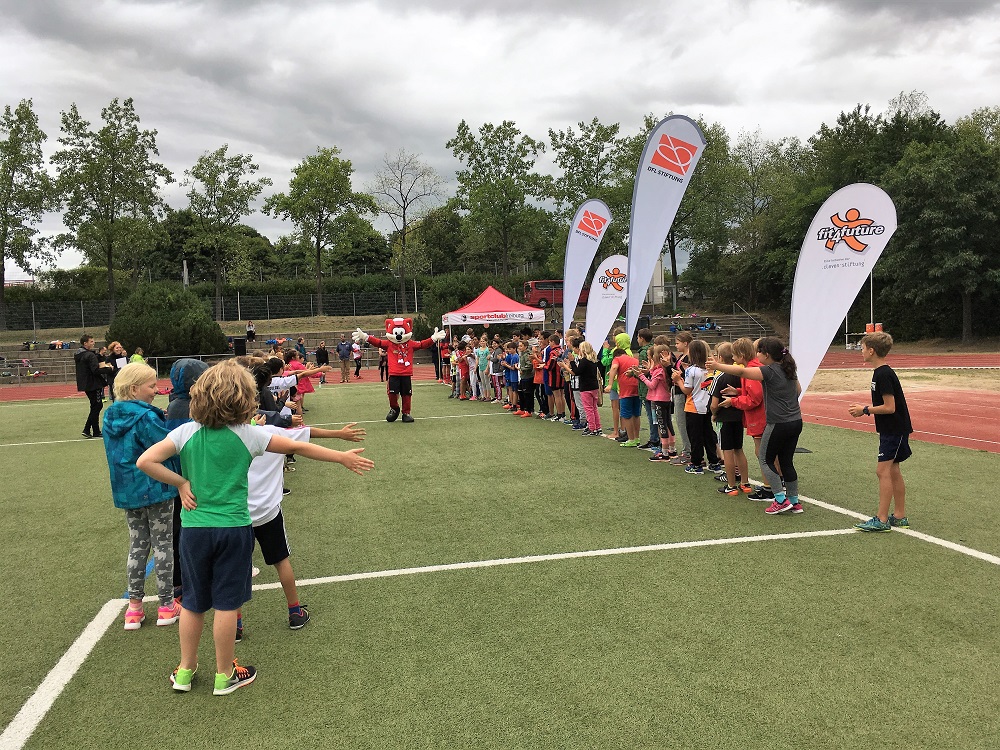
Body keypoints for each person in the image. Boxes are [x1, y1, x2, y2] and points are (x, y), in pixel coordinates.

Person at [137, 363, 374, 696]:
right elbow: (299, 447)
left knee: (192, 603)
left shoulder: (184, 433)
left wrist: (180, 483)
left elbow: (145, 461)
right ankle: (224, 675)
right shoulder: (249, 434)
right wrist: (340, 457)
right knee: (226, 603)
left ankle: (186, 671)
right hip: (234, 529)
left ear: (198, 396)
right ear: (245, 398)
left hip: (193, 531)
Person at [243, 420, 367, 633]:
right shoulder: (270, 434)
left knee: (236, 568)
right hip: (267, 513)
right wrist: (339, 437)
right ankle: (295, 612)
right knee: (281, 561)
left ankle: (235, 626)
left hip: (235, 515)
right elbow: (305, 436)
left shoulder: (216, 437)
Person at [103, 362, 181, 631]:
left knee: (137, 545)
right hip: (156, 488)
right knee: (163, 545)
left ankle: (134, 608)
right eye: (150, 386)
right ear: (135, 388)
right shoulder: (146, 417)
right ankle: (166, 605)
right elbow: (169, 445)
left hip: (127, 491)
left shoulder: (110, 416)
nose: (156, 390)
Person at [708, 337, 803, 515]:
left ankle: (780, 499)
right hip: (796, 421)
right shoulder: (789, 368)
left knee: (765, 459)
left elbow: (742, 373)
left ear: (766, 355)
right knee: (786, 462)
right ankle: (794, 501)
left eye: (759, 351)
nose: (756, 354)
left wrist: (718, 366)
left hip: (778, 423)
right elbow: (797, 391)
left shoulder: (768, 370)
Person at [848, 331, 912, 532]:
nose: (861, 351)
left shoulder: (883, 374)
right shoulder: (881, 372)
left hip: (894, 430)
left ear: (872, 350)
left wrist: (864, 410)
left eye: (863, 348)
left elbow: (889, 407)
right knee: (893, 470)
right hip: (893, 429)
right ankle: (899, 516)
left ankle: (882, 519)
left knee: (882, 471)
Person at [671, 339, 720, 474]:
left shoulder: (691, 370)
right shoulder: (711, 369)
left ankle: (696, 464)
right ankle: (714, 462)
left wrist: (678, 380)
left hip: (693, 406)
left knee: (695, 436)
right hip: (707, 405)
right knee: (708, 434)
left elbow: (687, 390)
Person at [709, 342, 749, 495]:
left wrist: (714, 413)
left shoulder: (719, 378)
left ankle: (731, 485)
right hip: (739, 416)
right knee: (739, 449)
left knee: (727, 452)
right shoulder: (742, 374)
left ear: (719, 357)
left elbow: (714, 404)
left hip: (724, 418)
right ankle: (745, 483)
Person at [75, 334, 113, 438]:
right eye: (91, 341)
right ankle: (87, 429)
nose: (93, 343)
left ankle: (96, 431)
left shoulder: (79, 354)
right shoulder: (89, 355)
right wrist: (109, 369)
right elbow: (95, 370)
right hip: (93, 383)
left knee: (94, 405)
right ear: (85, 343)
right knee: (97, 406)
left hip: (86, 383)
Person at [567, 340, 602, 435]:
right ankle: (598, 427)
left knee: (588, 408)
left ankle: (592, 428)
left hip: (586, 387)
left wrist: (572, 362)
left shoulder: (584, 361)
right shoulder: (593, 360)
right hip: (594, 386)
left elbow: (577, 372)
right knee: (594, 408)